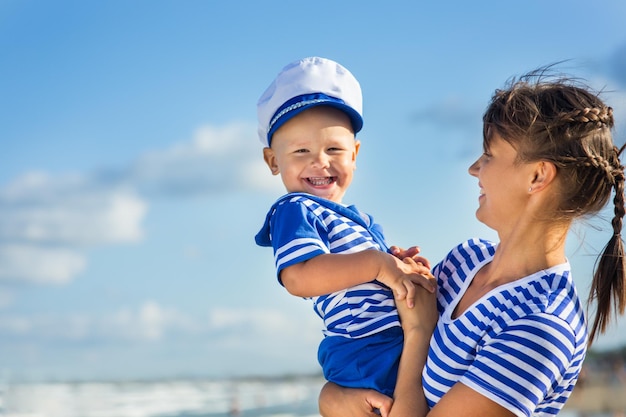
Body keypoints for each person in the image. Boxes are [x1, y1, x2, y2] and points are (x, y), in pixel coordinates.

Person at [319, 68, 626, 417]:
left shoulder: (541, 325)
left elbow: (408, 350)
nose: (474, 169)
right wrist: (391, 283)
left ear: (537, 176)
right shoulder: (465, 260)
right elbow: (375, 366)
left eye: (489, 155)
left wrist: (419, 329)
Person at [254, 56, 434, 398]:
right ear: (273, 161)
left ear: (355, 154)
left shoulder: (361, 221)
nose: (320, 161)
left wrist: (402, 266)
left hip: (390, 342)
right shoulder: (295, 210)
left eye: (334, 149)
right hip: (366, 351)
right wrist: (379, 264)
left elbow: (375, 272)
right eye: (301, 150)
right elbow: (298, 277)